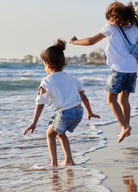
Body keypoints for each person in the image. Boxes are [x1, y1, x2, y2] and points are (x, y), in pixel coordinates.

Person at [69, 1, 138, 143]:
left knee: (111, 100)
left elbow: (91, 41)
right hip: (132, 70)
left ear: (113, 16)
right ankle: (126, 127)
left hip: (118, 70)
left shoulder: (111, 27)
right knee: (124, 100)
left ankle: (125, 127)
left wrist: (75, 42)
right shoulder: (135, 29)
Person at [24, 39, 100, 167]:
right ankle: (69, 160)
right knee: (60, 133)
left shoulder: (46, 81)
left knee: (50, 134)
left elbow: (40, 103)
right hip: (78, 112)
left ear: (47, 64)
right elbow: (83, 96)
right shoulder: (72, 78)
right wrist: (90, 112)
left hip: (65, 112)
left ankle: (54, 163)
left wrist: (34, 123)